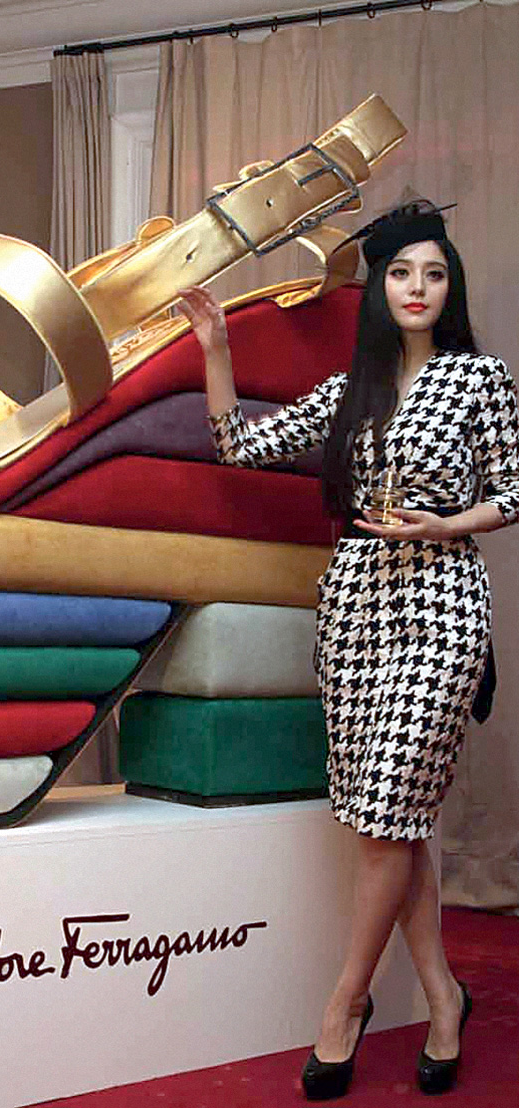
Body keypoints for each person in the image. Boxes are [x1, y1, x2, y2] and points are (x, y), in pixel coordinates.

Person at [177, 201, 519, 1099]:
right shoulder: (349, 391)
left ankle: (345, 1003)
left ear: (451, 288)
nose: (418, 288)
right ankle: (443, 997)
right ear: (380, 290)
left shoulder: (480, 378)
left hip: (442, 602)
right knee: (390, 823)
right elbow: (241, 448)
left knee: (389, 812)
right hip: (357, 605)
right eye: (402, 273)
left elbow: (515, 490)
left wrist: (447, 523)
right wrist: (217, 350)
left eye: (434, 273)